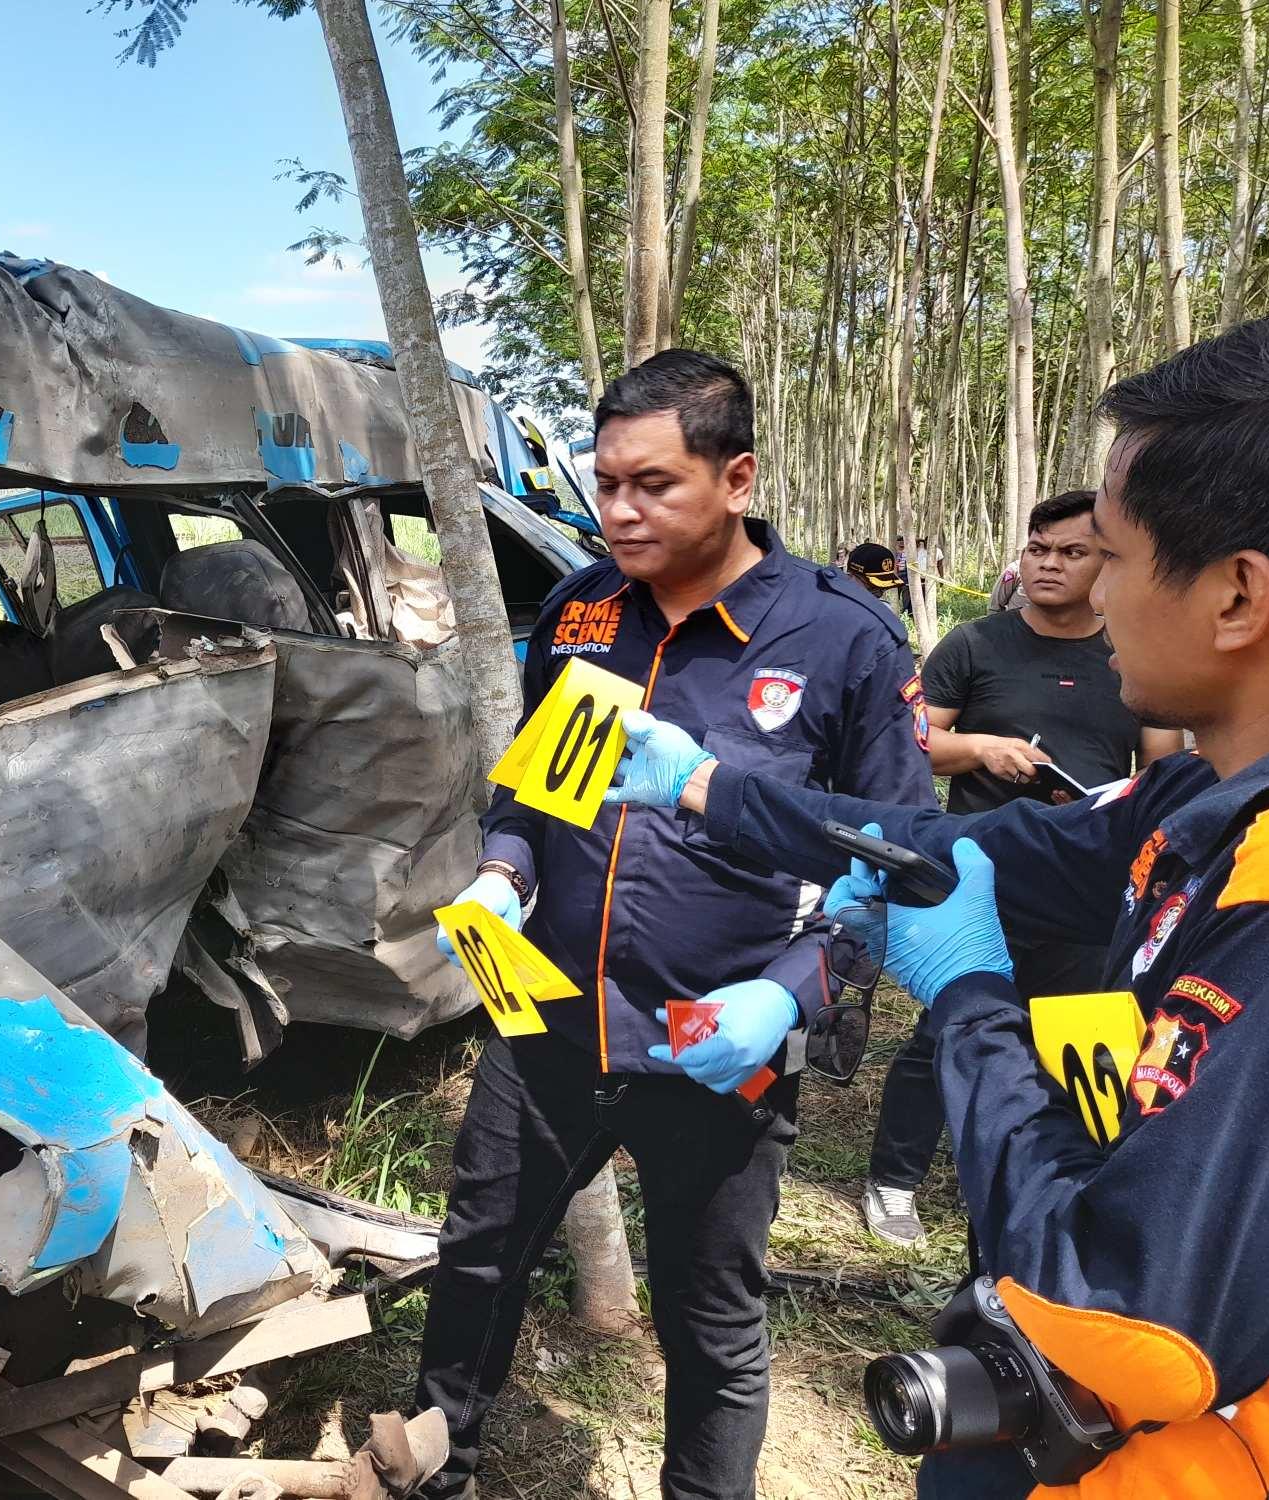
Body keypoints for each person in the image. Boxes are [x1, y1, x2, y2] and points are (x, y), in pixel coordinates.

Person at [607, 313, 1269, 1496]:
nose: (1087, 589)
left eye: (1113, 559)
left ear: (1234, 596)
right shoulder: (1199, 802)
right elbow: (936, 842)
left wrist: (972, 999)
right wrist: (714, 791)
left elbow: (1119, 1309)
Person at [418, 350, 935, 1500]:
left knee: (708, 1318)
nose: (617, 511)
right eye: (606, 483)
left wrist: (793, 994)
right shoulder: (580, 606)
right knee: (476, 1260)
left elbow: (895, 862)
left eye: (652, 484)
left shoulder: (840, 639)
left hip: (716, 1040)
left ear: (736, 476)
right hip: (549, 1015)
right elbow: (532, 790)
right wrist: (503, 872)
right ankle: (430, 1468)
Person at [860, 491, 1183, 1247]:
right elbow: (911, 742)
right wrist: (980, 749)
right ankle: (894, 1180)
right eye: (1038, 549)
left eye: (1071, 552)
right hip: (979, 875)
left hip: (1086, 887)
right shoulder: (977, 644)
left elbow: (1164, 774)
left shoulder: (1133, 652)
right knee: (946, 1023)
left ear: (1107, 564)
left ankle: (1043, 1187)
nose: (1047, 564)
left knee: (1070, 1034)